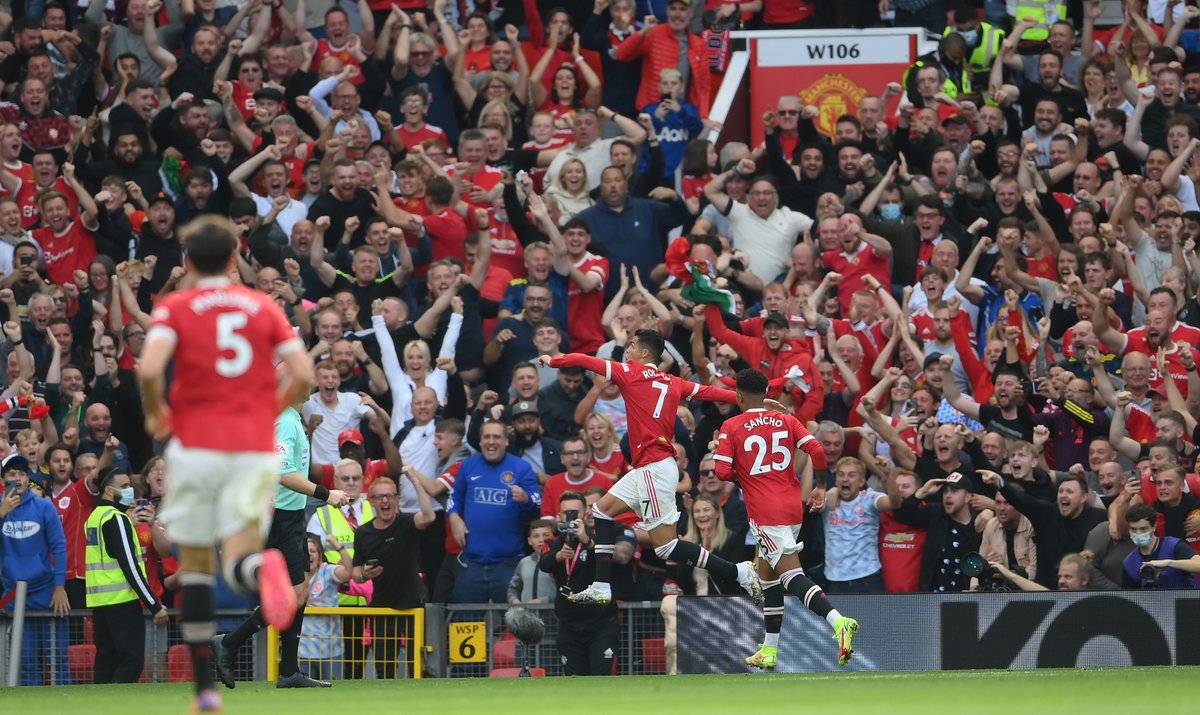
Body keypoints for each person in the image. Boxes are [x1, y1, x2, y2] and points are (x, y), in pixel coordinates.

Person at [138, 215, 313, 713]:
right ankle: (263, 565)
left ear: (188, 262)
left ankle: (206, 694)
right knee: (239, 557)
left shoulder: (178, 306)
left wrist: (157, 410)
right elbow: (301, 370)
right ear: (235, 260)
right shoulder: (259, 306)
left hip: (197, 443)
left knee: (195, 568)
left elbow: (150, 367)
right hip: (251, 444)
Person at [538, 329, 763, 607]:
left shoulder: (629, 372)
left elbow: (586, 361)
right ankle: (601, 585)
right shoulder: (673, 381)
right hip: (648, 468)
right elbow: (710, 392)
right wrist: (753, 403)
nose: (628, 349)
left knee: (666, 547)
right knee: (600, 512)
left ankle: (738, 571)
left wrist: (553, 360)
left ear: (644, 353)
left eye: (632, 345)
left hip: (654, 469)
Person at [713, 369, 858, 669]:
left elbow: (721, 472)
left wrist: (748, 473)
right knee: (767, 579)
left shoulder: (732, 424)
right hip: (791, 508)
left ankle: (838, 621)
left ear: (738, 395)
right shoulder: (787, 419)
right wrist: (818, 485)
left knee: (792, 576)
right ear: (767, 392)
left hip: (765, 511)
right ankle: (769, 649)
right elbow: (815, 448)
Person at [214, 385, 349, 689]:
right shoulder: (285, 421)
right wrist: (326, 494)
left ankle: (288, 670)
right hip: (279, 518)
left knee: (300, 594)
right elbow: (282, 472)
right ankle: (231, 644)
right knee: (293, 596)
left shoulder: (291, 418)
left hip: (291, 517)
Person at [84, 466, 168, 683]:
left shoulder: (95, 517)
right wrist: (154, 604)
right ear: (110, 492)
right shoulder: (117, 518)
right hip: (121, 600)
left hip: (100, 601)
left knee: (106, 659)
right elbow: (130, 565)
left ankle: (100, 705)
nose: (130, 490)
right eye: (124, 486)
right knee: (131, 660)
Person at [447, 419, 543, 603]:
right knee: (467, 623)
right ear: (480, 442)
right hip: (471, 562)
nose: (491, 442)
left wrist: (525, 499)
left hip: (508, 563)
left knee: (512, 623)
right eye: (487, 437)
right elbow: (454, 498)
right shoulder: (468, 466)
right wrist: (453, 517)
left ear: (506, 441)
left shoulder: (521, 468)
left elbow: (537, 508)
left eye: (497, 437)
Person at [352, 475, 436, 678]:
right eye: (379, 497)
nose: (385, 501)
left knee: (416, 667)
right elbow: (355, 572)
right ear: (370, 501)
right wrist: (365, 574)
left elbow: (429, 516)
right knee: (384, 670)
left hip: (412, 605)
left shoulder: (406, 523)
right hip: (382, 609)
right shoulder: (363, 532)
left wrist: (416, 482)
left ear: (397, 499)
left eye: (389, 496)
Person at [0, 452, 70, 686]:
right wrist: (2, 515)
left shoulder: (43, 507)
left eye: (22, 474)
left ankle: (65, 704)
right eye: (12, 474)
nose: (17, 479)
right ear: (3, 480)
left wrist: (59, 586)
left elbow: (59, 546)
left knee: (58, 659)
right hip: (13, 595)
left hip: (46, 592)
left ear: (28, 478)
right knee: (26, 661)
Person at [539, 490, 619, 675]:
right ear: (559, 515)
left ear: (585, 513)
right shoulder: (554, 541)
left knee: (600, 679)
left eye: (575, 512)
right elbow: (543, 563)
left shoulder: (600, 537)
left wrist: (587, 541)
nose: (571, 517)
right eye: (567, 513)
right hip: (569, 625)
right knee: (574, 681)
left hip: (601, 623)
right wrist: (559, 556)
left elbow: (612, 557)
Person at [1123, 503, 1200, 588]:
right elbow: (1130, 596)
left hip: (1186, 600)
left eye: (1143, 529)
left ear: (1154, 527)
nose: (1138, 533)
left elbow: (1198, 564)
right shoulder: (1129, 563)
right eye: (1133, 529)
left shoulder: (1173, 545)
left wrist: (1169, 563)